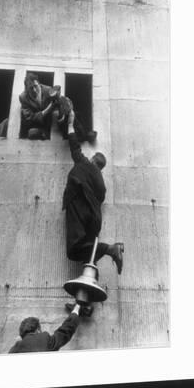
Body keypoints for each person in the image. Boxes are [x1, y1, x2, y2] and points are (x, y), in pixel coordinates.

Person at [63, 109, 124, 273]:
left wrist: (70, 124)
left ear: (92, 160)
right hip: (94, 221)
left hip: (78, 210)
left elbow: (74, 146)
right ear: (101, 168)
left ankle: (111, 249)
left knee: (74, 249)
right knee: (89, 253)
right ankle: (91, 277)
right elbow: (100, 199)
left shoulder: (84, 164)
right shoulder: (101, 184)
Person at [19, 73, 97, 142]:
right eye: (30, 88)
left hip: (53, 121)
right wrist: (48, 108)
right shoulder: (23, 97)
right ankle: (46, 134)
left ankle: (84, 135)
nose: (34, 90)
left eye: (35, 86)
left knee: (71, 115)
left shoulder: (48, 90)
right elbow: (30, 118)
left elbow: (60, 104)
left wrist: (64, 105)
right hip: (39, 125)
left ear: (39, 84)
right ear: (26, 88)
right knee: (32, 132)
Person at [8, 302, 88, 353]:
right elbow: (64, 332)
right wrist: (76, 310)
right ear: (38, 330)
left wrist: (17, 344)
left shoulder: (13, 351)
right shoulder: (43, 339)